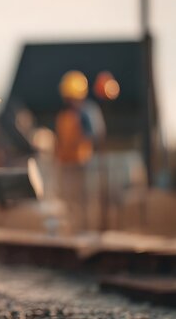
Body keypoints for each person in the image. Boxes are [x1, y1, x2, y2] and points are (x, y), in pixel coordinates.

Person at [54, 70, 105, 233]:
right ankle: (72, 231)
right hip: (65, 164)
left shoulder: (87, 111)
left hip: (83, 164)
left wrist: (80, 140)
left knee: (85, 201)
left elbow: (97, 134)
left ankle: (87, 231)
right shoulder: (64, 114)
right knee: (68, 201)